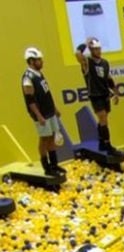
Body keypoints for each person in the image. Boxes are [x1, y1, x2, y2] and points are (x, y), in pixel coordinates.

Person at [21, 47, 65, 177]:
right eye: (39, 60)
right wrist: (39, 116)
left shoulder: (39, 74)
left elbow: (46, 93)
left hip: (49, 110)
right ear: (31, 61)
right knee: (44, 138)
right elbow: (30, 100)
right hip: (41, 114)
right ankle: (46, 166)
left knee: (52, 136)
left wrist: (54, 108)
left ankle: (54, 164)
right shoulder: (28, 78)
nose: (41, 62)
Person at [75, 37, 121, 154]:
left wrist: (115, 92)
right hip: (95, 95)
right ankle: (107, 144)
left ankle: (101, 142)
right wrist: (86, 44)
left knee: (103, 120)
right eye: (95, 49)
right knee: (103, 118)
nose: (98, 51)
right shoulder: (87, 62)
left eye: (99, 48)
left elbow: (108, 78)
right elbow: (77, 54)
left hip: (105, 94)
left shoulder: (105, 63)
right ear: (91, 50)